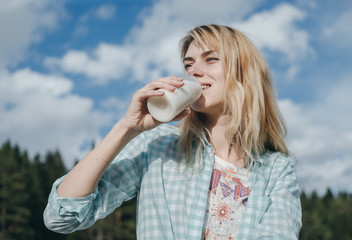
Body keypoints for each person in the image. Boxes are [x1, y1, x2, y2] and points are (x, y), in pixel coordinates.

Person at [44, 24, 302, 239]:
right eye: (188, 65)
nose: (193, 72)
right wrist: (126, 129)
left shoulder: (277, 169)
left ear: (245, 72)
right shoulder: (158, 146)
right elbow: (61, 216)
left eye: (210, 59)